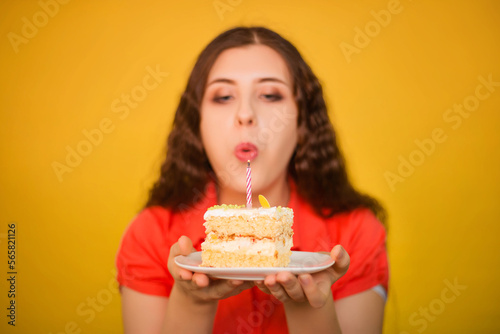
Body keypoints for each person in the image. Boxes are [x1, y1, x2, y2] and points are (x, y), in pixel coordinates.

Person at [116, 26, 389, 334]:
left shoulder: (356, 233)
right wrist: (192, 301)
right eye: (223, 96)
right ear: (198, 123)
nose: (245, 114)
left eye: (270, 95)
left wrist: (310, 303)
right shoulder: (149, 236)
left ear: (302, 120)